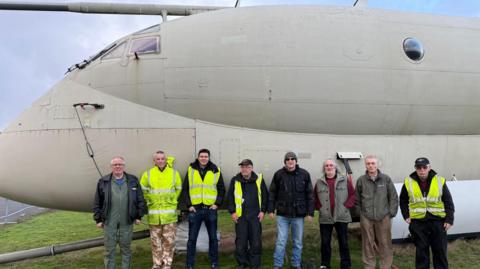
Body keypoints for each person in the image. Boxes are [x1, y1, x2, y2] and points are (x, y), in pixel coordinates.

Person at [399, 157, 455, 269]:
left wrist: (449, 219)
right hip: (418, 223)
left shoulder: (439, 180)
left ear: (429, 168)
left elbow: (448, 201)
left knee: (440, 252)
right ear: (415, 169)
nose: (422, 170)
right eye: (419, 168)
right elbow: (403, 200)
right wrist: (406, 216)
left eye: (424, 167)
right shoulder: (408, 182)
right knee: (421, 253)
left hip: (438, 222)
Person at [93, 156, 146, 269]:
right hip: (109, 220)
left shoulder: (133, 180)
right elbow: (97, 202)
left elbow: (140, 199)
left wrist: (139, 216)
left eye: (120, 164)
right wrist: (98, 219)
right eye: (115, 165)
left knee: (126, 248)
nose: (118, 167)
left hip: (127, 220)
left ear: (124, 166)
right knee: (109, 249)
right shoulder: (104, 181)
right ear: (111, 167)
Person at [268, 152, 314, 269]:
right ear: (285, 161)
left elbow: (310, 194)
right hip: (283, 215)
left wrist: (310, 212)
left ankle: (296, 264)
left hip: (298, 215)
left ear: (296, 161)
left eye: (292, 158)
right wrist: (271, 209)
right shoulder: (278, 175)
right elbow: (272, 193)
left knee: (297, 242)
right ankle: (277, 265)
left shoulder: (304, 174)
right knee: (281, 242)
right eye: (287, 159)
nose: (290, 161)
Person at [183, 148, 226, 269]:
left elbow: (221, 188)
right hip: (195, 210)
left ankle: (214, 263)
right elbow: (185, 188)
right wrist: (189, 205)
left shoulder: (215, 170)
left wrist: (217, 204)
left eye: (206, 156)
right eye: (201, 156)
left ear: (209, 157)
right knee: (192, 239)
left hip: (210, 210)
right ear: (198, 157)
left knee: (213, 238)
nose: (203, 158)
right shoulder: (191, 169)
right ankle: (190, 264)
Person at [140, 151, 182, 269]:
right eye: (157, 159)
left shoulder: (174, 173)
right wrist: (149, 199)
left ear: (165, 159)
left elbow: (178, 188)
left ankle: (167, 264)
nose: (160, 161)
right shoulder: (148, 174)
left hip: (169, 215)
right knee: (155, 242)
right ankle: (157, 264)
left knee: (169, 241)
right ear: (154, 161)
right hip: (154, 216)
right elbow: (142, 189)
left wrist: (172, 200)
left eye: (162, 159)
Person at [355, 155, 398, 269]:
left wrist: (391, 213)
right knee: (367, 244)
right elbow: (357, 199)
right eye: (368, 163)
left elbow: (393, 197)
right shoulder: (361, 180)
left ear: (377, 164)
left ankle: (385, 266)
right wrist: (360, 213)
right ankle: (369, 266)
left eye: (373, 163)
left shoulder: (386, 179)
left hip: (383, 216)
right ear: (365, 165)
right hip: (366, 217)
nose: (371, 165)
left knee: (385, 243)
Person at [313, 159, 356, 269]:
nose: (329, 167)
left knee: (344, 243)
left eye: (331, 165)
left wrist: (345, 206)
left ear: (335, 167)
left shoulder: (344, 180)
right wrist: (320, 208)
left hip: (342, 216)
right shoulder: (319, 182)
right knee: (325, 243)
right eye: (326, 165)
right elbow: (314, 198)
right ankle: (325, 264)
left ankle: (345, 265)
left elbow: (353, 195)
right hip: (325, 217)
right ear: (324, 168)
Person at [227, 159, 268, 269]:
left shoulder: (259, 179)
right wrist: (232, 212)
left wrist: (263, 211)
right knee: (241, 242)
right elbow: (230, 198)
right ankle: (242, 263)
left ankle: (255, 264)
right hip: (241, 217)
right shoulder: (235, 180)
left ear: (251, 168)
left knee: (256, 242)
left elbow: (265, 196)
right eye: (242, 167)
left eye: (247, 167)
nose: (244, 169)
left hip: (255, 216)